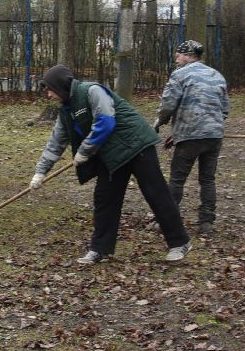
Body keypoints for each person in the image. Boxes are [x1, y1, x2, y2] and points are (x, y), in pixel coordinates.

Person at [31, 64, 190, 265]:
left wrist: (84, 151)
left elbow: (105, 121)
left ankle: (179, 243)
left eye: (50, 89)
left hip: (136, 145)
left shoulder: (92, 91)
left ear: (60, 86)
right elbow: (55, 143)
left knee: (156, 193)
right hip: (111, 155)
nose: (48, 95)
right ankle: (100, 249)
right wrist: (40, 172)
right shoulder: (66, 112)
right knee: (105, 199)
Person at [157, 39, 230, 238]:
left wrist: (159, 122)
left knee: (177, 179)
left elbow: (168, 105)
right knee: (208, 179)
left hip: (189, 137)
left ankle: (167, 221)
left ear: (189, 56)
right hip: (214, 136)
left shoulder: (180, 75)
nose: (176, 59)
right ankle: (207, 222)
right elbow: (224, 109)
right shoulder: (217, 75)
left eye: (179, 55)